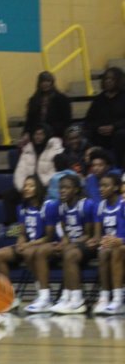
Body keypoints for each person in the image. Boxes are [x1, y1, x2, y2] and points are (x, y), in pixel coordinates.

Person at [24, 174, 95, 314]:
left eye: (66, 188)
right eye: (61, 188)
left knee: (69, 253)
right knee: (41, 251)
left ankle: (76, 299)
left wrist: (71, 244)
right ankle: (45, 297)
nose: (62, 191)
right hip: (71, 244)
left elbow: (89, 235)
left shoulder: (86, 205)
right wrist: (63, 243)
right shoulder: (61, 207)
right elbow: (66, 234)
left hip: (86, 245)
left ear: (76, 190)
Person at [0, 175, 47, 309]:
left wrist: (28, 245)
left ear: (38, 188)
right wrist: (20, 243)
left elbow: (49, 237)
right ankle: (9, 296)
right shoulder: (22, 208)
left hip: (43, 245)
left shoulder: (47, 206)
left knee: (28, 253)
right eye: (25, 186)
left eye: (31, 186)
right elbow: (22, 233)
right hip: (28, 246)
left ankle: (43, 294)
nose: (27, 188)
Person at [5, 125, 62, 223]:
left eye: (41, 134)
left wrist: (38, 186)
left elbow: (55, 173)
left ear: (46, 135)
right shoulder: (27, 150)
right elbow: (20, 171)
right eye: (36, 134)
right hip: (28, 186)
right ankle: (14, 225)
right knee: (9, 196)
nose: (38, 137)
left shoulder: (55, 150)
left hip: (45, 186)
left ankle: (44, 223)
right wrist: (24, 187)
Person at [91, 172, 125, 315]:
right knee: (103, 252)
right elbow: (98, 235)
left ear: (116, 187)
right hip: (111, 245)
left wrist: (120, 240)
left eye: (106, 186)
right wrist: (97, 240)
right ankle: (104, 296)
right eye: (100, 186)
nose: (101, 189)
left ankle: (118, 299)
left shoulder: (123, 204)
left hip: (120, 244)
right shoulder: (100, 206)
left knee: (117, 249)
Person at [83, 67, 125, 167]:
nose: (108, 81)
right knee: (84, 133)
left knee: (120, 135)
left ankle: (120, 166)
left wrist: (114, 127)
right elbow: (88, 120)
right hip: (100, 132)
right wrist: (98, 127)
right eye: (106, 78)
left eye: (112, 79)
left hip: (119, 131)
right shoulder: (99, 99)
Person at [22, 71, 72, 143]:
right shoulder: (34, 100)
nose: (45, 84)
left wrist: (51, 131)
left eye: (48, 81)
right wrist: (26, 133)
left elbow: (66, 121)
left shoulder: (62, 99)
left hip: (56, 134)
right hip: (36, 135)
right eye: (43, 81)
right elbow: (29, 120)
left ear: (52, 82)